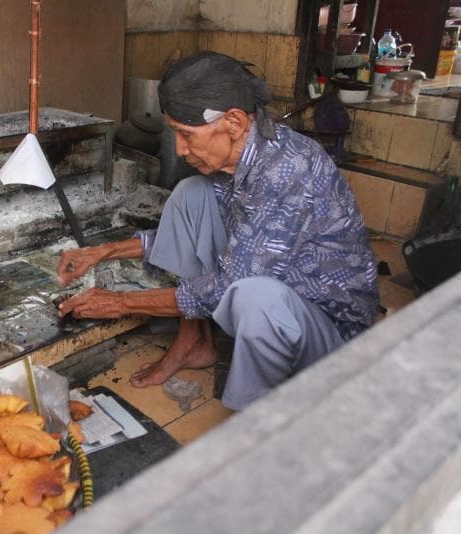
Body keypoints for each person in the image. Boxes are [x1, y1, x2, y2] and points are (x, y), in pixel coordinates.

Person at [56, 51, 379, 411]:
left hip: (332, 337)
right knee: (192, 194)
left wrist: (119, 303)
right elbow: (200, 235)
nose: (179, 149)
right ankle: (194, 342)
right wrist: (103, 251)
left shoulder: (286, 173)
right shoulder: (245, 156)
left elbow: (230, 286)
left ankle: (252, 425)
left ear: (235, 122)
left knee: (255, 300)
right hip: (285, 294)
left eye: (186, 134)